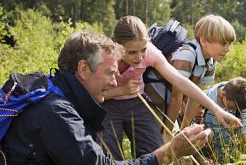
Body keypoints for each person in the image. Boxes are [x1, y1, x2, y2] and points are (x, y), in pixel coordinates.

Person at [1, 31, 214, 165]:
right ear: (83, 69)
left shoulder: (54, 88)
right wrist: (171, 151)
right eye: (110, 73)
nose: (115, 82)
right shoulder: (56, 113)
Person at [100, 15, 242, 160]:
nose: (140, 57)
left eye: (143, 50)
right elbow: (92, 94)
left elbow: (180, 81)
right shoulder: (104, 57)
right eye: (132, 52)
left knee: (157, 152)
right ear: (117, 46)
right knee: (109, 155)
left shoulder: (150, 52)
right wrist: (121, 90)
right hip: (107, 104)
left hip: (137, 102)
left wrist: (217, 110)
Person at [165, 14, 236, 136]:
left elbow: (195, 99)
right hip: (156, 101)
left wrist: (184, 132)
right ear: (203, 41)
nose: (227, 49)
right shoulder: (187, 55)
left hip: (169, 103)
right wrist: (167, 133)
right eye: (223, 43)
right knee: (162, 143)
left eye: (229, 43)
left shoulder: (211, 61)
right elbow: (176, 97)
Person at [203, 77, 246, 163]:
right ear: (223, 94)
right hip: (208, 154)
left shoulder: (243, 99)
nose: (233, 111)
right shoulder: (205, 98)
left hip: (230, 155)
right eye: (231, 108)